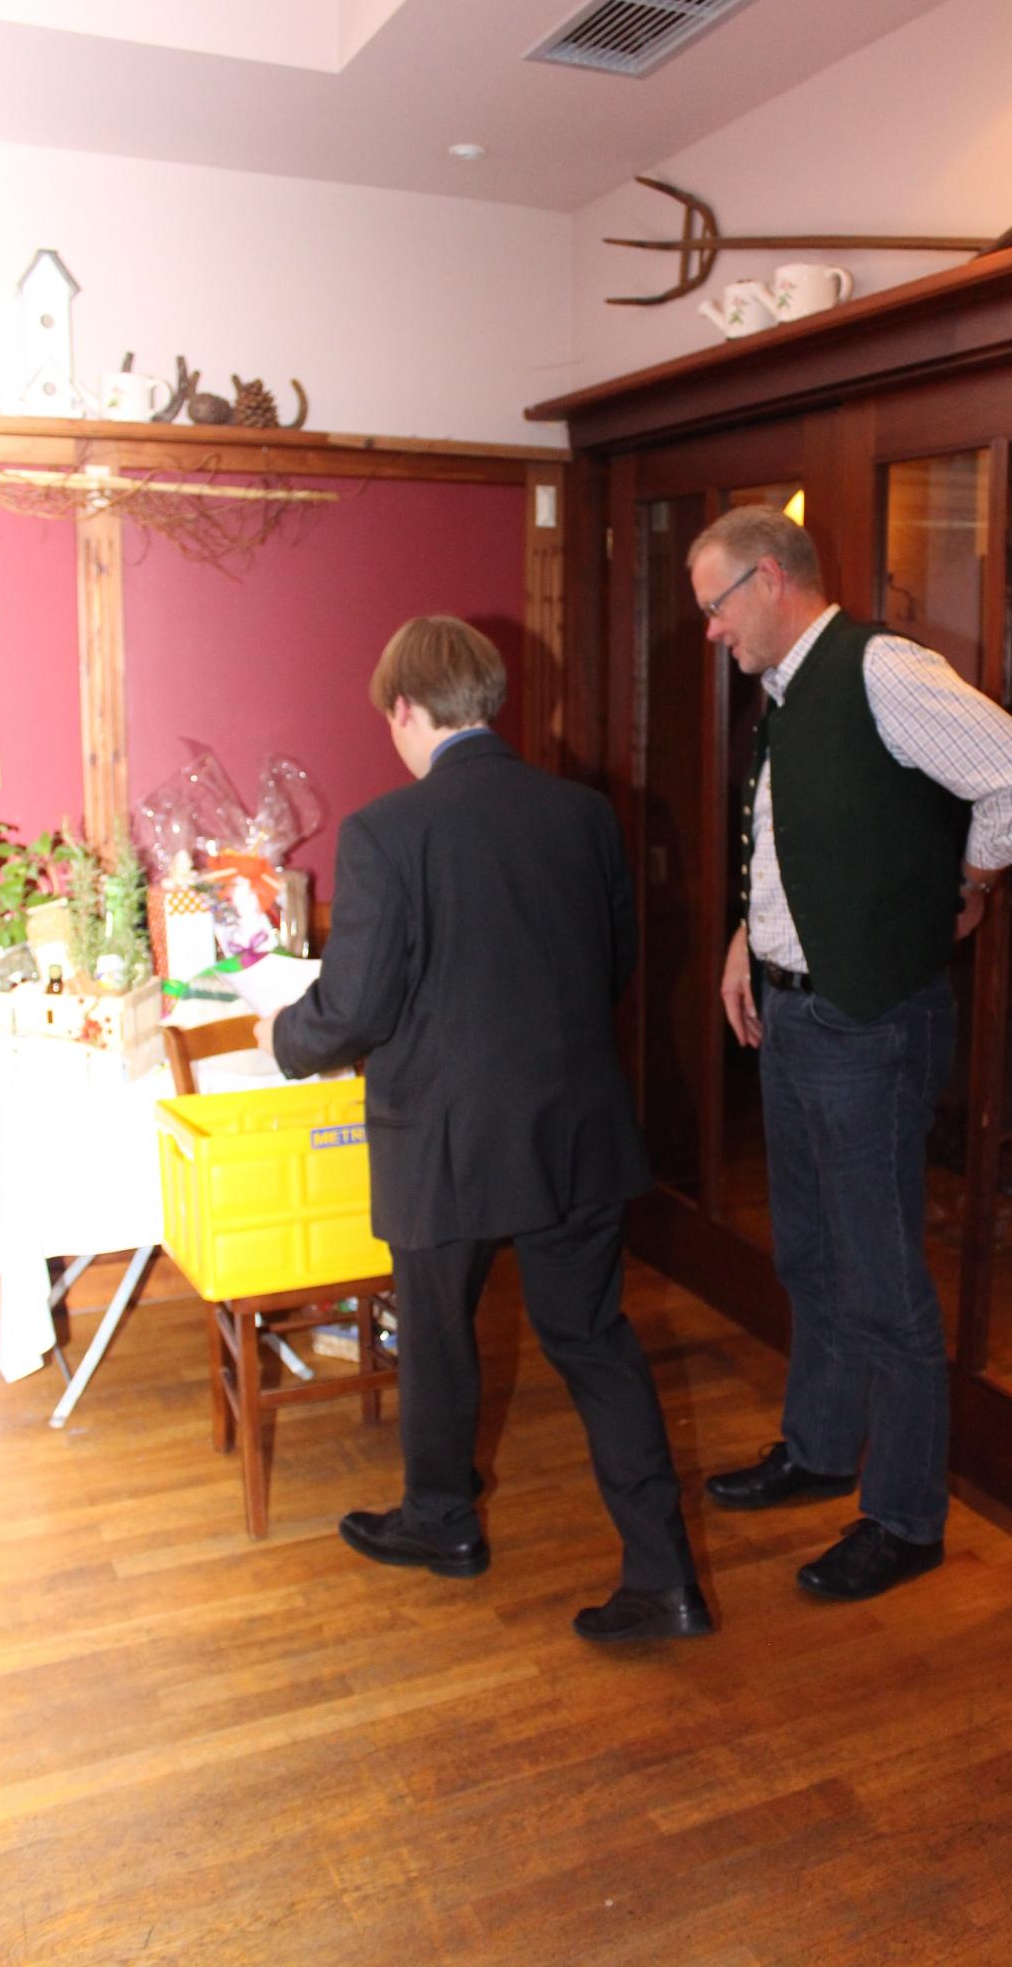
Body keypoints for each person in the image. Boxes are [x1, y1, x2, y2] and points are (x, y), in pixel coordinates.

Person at [256, 615, 710, 1644]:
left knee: (437, 1334)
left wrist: (278, 1033)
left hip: (444, 1133)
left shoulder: (386, 831)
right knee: (593, 1339)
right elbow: (615, 959)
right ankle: (666, 1577)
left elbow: (355, 1007)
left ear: (404, 707)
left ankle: (441, 1520)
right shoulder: (582, 813)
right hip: (575, 1125)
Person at [688, 507, 1012, 1603]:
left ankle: (904, 1515)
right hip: (792, 1010)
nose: (711, 630)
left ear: (770, 578)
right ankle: (819, 1446)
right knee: (808, 1253)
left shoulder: (879, 669)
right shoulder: (788, 688)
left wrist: (972, 879)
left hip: (867, 1025)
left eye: (715, 606)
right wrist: (746, 941)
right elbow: (795, 842)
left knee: (881, 1274)